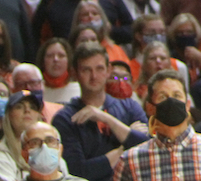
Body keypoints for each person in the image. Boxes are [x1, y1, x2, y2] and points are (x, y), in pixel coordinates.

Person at [112, 70, 201, 181]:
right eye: (163, 96)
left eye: (177, 95)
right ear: (150, 108)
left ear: (187, 105)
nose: (171, 101)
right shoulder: (131, 161)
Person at [51, 44, 148, 181]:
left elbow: (148, 147)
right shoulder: (65, 118)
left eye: (99, 68)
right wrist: (124, 147)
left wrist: (107, 119)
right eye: (86, 70)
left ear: (108, 70)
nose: (94, 76)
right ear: (75, 73)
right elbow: (78, 172)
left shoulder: (130, 107)